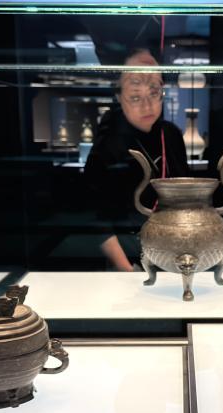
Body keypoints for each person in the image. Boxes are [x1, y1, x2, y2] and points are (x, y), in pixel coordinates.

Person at [85, 49, 188, 271]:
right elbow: (98, 221)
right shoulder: (107, 145)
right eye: (135, 96)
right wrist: (128, 271)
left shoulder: (171, 135)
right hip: (130, 260)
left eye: (154, 92)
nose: (147, 106)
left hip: (173, 254)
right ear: (119, 96)